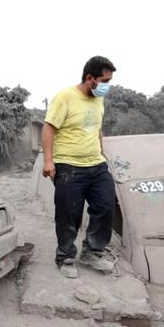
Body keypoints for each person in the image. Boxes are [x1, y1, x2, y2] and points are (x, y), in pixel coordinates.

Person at [42, 55, 117, 279]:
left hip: (96, 164)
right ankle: (65, 256)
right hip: (68, 165)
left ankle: (92, 252)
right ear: (89, 78)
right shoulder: (65, 97)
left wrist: (103, 155)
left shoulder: (98, 100)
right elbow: (48, 129)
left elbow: (96, 129)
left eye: (109, 81)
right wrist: (48, 161)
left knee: (106, 205)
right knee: (68, 214)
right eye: (104, 81)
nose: (107, 86)